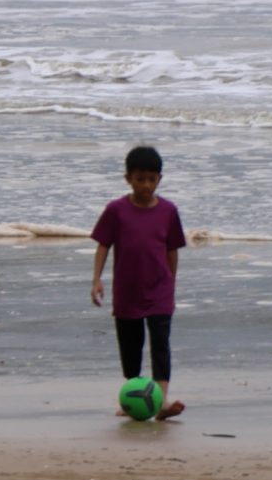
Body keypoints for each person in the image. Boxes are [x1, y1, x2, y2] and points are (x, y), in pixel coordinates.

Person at [89, 143, 188, 421]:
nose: (146, 185)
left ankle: (162, 400)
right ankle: (133, 398)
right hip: (127, 291)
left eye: (151, 179)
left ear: (160, 179)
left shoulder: (168, 211)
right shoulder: (116, 210)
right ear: (128, 179)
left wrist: (171, 285)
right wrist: (96, 279)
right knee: (131, 345)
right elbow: (103, 245)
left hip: (159, 289)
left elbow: (172, 250)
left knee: (160, 343)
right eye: (140, 179)